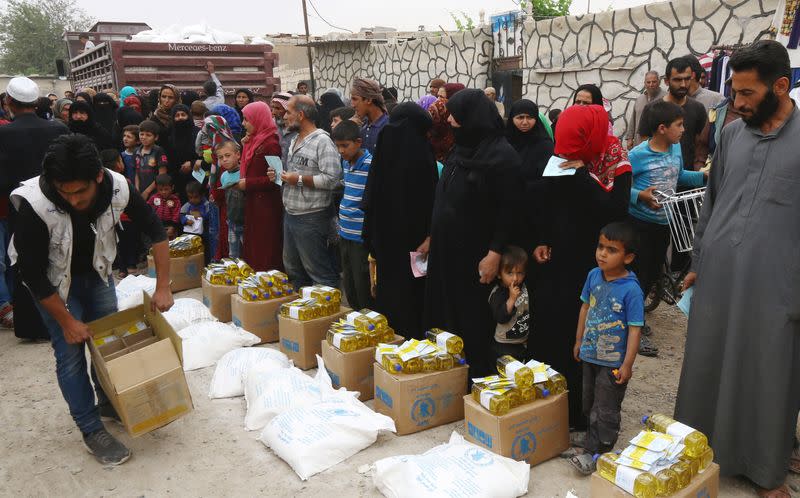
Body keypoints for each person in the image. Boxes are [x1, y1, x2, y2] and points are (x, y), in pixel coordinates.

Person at [675, 40, 800, 498]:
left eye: (747, 94)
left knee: (770, 374)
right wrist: (698, 260)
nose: (738, 103)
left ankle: (766, 473)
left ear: (781, 86)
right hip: (721, 275)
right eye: (734, 92)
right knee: (707, 362)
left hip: (779, 284)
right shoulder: (731, 134)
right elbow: (712, 202)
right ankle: (697, 452)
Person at [9, 133, 172, 465]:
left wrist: (164, 286)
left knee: (106, 343)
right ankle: (90, 427)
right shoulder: (34, 204)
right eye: (64, 191)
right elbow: (31, 274)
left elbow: (156, 231)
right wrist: (67, 321)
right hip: (54, 286)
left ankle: (108, 400)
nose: (73, 199)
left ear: (98, 176)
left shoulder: (118, 187)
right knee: (69, 356)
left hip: (97, 275)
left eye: (80, 191)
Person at [532, 104, 632, 431]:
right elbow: (609, 208)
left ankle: (566, 406)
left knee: (571, 333)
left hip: (577, 262)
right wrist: (623, 171)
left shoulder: (576, 161)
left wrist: (581, 177)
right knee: (566, 334)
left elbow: (611, 210)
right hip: (570, 264)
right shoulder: (571, 165)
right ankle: (564, 408)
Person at [424, 89, 522, 376]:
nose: (451, 120)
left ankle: (474, 379)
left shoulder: (502, 156)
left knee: (472, 318)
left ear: (473, 118)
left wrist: (494, 253)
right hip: (447, 251)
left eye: (457, 115)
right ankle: (448, 373)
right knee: (445, 312)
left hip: (476, 255)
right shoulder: (461, 148)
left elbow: (509, 212)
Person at [627, 101, 705, 353]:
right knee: (637, 278)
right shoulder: (637, 155)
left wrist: (704, 176)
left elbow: (679, 177)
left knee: (650, 276)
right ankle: (632, 331)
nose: (684, 130)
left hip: (664, 224)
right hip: (639, 225)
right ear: (662, 128)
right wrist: (640, 196)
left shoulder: (676, 148)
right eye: (679, 125)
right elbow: (619, 187)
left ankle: (635, 320)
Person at [567, 222, 644, 474]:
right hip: (590, 353)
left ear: (628, 257)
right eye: (600, 247)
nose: (602, 253)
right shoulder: (593, 276)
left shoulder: (631, 290)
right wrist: (579, 341)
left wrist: (627, 364)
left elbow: (635, 329)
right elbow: (584, 308)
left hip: (613, 362)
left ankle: (599, 452)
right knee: (589, 402)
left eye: (611, 250)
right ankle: (591, 438)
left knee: (606, 407)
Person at [0, 77, 69, 335]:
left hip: (21, 208)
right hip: (57, 204)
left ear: (9, 102)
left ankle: (33, 325)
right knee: (58, 258)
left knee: (26, 263)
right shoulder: (59, 129)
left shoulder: (3, 133)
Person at [362, 102, 437, 339]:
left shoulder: (388, 143)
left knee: (398, 296)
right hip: (410, 242)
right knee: (408, 297)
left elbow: (371, 198)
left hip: (399, 242)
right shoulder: (421, 151)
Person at [280, 95, 342, 288]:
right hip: (291, 213)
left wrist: (297, 179)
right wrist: (280, 175)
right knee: (294, 269)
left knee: (320, 274)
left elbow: (333, 179)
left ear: (301, 115)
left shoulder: (322, 141)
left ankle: (328, 314)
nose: (284, 116)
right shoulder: (295, 140)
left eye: (288, 112)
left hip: (312, 217)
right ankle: (304, 314)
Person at [331, 120, 373, 311]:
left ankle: (367, 321)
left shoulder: (370, 164)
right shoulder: (346, 163)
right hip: (345, 232)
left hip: (360, 234)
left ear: (358, 142)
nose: (341, 151)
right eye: (338, 146)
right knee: (348, 282)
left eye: (345, 146)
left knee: (362, 282)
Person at [639, 58, 709, 171]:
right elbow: (644, 144)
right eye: (677, 80)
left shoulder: (698, 108)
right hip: (659, 178)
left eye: (687, 79)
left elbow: (700, 145)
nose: (683, 84)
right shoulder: (651, 109)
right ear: (667, 81)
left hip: (689, 179)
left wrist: (698, 171)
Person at [239, 101, 283, 271]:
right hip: (254, 201)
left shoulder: (270, 143)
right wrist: (247, 144)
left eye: (246, 119)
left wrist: (248, 184)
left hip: (266, 205)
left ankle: (267, 282)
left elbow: (277, 178)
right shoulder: (255, 140)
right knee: (254, 242)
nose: (243, 124)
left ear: (258, 119)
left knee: (265, 246)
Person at [505, 99, 554, 251]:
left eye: (529, 117)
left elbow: (549, 183)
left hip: (535, 214)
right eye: (520, 117)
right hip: (508, 212)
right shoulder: (505, 143)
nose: (525, 122)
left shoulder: (545, 145)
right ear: (512, 119)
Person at [101, 149, 140, 278]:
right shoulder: (124, 181)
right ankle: (131, 266)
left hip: (112, 220)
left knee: (119, 244)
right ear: (118, 164)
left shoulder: (101, 183)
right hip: (126, 218)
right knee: (130, 243)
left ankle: (123, 269)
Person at [488, 246, 530, 362]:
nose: (515, 278)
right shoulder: (498, 293)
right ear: (499, 274)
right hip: (503, 345)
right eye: (510, 273)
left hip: (522, 343)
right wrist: (512, 299)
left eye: (520, 273)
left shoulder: (524, 286)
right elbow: (500, 317)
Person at [217, 141, 245, 258]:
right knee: (233, 255)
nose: (224, 159)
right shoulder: (223, 176)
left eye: (227, 155)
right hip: (232, 222)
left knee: (248, 253)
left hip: (246, 222)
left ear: (238, 155)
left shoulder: (244, 174)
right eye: (220, 157)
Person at [625, 70, 666, 149]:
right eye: (648, 82)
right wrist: (630, 138)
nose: (651, 85)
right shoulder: (640, 99)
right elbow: (633, 119)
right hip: (639, 143)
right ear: (644, 83)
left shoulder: (666, 98)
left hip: (658, 144)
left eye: (654, 82)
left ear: (659, 82)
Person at [167, 104, 199, 203]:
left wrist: (192, 163)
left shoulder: (198, 133)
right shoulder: (170, 136)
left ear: (188, 116)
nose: (180, 118)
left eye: (183, 115)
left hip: (197, 176)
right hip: (178, 179)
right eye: (177, 115)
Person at [428, 82, 465, 162]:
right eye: (437, 96)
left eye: (441, 97)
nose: (437, 101)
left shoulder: (464, 142)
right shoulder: (433, 128)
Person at [350, 78, 388, 155]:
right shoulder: (360, 126)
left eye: (355, 99)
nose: (352, 105)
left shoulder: (388, 127)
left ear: (369, 100)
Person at [181, 181, 215, 263]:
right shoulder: (187, 205)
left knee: (205, 252)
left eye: (195, 197)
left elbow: (211, 216)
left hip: (204, 236)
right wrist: (186, 220)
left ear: (202, 195)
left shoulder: (207, 205)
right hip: (191, 235)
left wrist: (201, 215)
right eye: (190, 197)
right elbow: (181, 215)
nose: (193, 200)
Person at [135, 120, 169, 200]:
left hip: (155, 192)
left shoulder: (159, 151)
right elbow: (136, 172)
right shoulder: (136, 151)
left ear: (156, 137)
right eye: (141, 134)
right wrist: (137, 189)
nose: (144, 137)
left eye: (148, 135)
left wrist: (147, 192)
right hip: (140, 191)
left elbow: (162, 174)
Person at [147, 174, 181, 239]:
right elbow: (148, 209)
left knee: (170, 246)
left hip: (170, 226)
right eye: (160, 189)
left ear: (172, 187)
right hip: (156, 225)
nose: (163, 192)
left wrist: (172, 227)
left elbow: (176, 215)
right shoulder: (154, 198)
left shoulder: (175, 200)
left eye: (166, 189)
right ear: (157, 188)